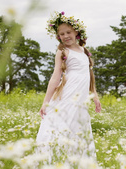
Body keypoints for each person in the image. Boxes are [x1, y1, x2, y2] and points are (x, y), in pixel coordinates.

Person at [35, 11, 101, 166]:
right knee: (61, 125)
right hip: (67, 95)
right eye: (61, 34)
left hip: (81, 98)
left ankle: (76, 162)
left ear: (76, 32)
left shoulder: (84, 51)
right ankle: (54, 161)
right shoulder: (62, 51)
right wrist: (46, 101)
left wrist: (95, 95)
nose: (65, 36)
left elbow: (89, 76)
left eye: (68, 32)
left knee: (78, 127)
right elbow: (55, 77)